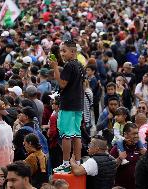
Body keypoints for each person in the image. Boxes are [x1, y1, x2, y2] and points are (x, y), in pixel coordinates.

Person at [49, 40, 84, 173]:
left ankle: (65, 163)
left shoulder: (69, 66)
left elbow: (62, 84)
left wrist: (55, 67)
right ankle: (77, 161)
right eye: (61, 51)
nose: (62, 53)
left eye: (64, 51)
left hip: (68, 103)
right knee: (76, 133)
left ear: (73, 51)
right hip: (77, 103)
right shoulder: (79, 65)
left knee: (66, 134)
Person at [111, 122, 142, 189]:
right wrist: (120, 158)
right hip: (121, 186)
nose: (136, 136)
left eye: (137, 133)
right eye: (134, 134)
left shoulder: (141, 148)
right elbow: (110, 168)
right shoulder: (116, 149)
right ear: (125, 134)